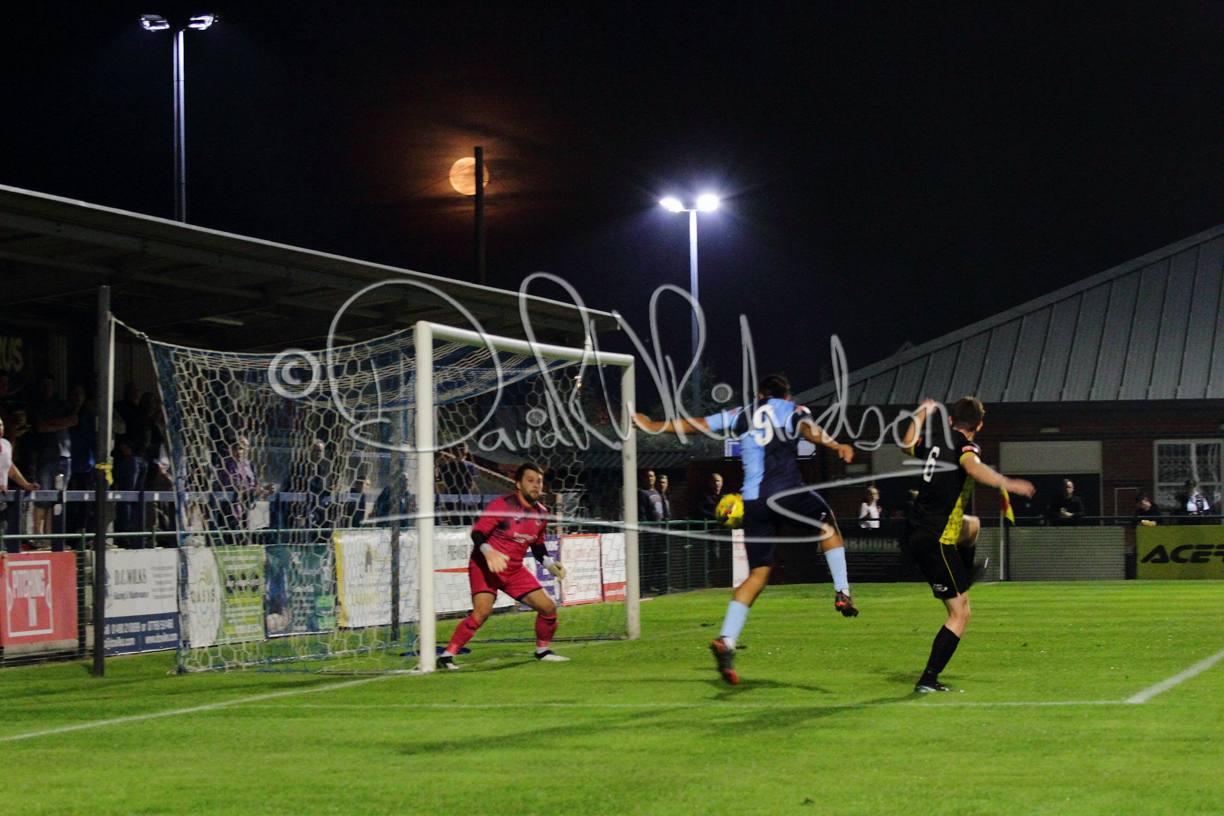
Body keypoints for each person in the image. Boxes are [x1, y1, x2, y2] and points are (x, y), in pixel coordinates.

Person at [636, 373, 858, 686]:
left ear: (760, 394)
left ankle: (726, 639)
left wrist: (654, 425)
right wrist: (834, 444)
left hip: (752, 502)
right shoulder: (793, 409)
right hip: (786, 493)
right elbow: (808, 429)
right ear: (786, 395)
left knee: (758, 574)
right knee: (827, 523)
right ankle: (842, 591)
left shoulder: (740, 414)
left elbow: (697, 424)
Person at [900, 396, 1034, 693]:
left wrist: (921, 412)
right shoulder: (966, 447)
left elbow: (905, 442)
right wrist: (1008, 483)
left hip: (918, 528)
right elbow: (972, 467)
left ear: (950, 421)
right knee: (960, 613)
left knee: (972, 526)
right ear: (979, 426)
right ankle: (928, 679)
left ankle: (965, 575)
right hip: (936, 540)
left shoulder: (934, 441)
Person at [438, 463, 569, 668]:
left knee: (548, 607)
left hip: (514, 571)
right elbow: (478, 532)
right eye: (530, 480)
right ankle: (446, 657)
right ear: (518, 484)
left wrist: (549, 564)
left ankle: (542, 651)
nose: (536, 485)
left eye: (539, 481)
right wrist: (488, 551)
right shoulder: (502, 505)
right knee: (482, 612)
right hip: (485, 567)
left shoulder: (542, 513)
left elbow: (537, 545)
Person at [26, 373, 77, 535]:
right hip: (46, 456)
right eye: (44, 385)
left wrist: (51, 424)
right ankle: (38, 534)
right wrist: (61, 423)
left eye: (50, 384)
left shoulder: (62, 404)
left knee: (59, 497)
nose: (48, 388)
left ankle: (53, 535)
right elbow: (39, 427)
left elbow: (74, 419)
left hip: (65, 456)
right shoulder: (35, 405)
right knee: (43, 497)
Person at [0, 416, 40, 548]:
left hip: (2, 497)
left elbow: (10, 468)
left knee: (4, 531)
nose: (0, 428)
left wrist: (25, 484)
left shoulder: (6, 444)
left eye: (1, 425)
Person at [66, 384, 96, 534]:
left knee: (85, 500)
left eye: (80, 394)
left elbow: (93, 439)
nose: (77, 397)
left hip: (85, 464)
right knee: (68, 500)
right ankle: (69, 534)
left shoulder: (89, 415)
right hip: (67, 463)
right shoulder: (65, 413)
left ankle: (84, 533)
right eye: (74, 394)